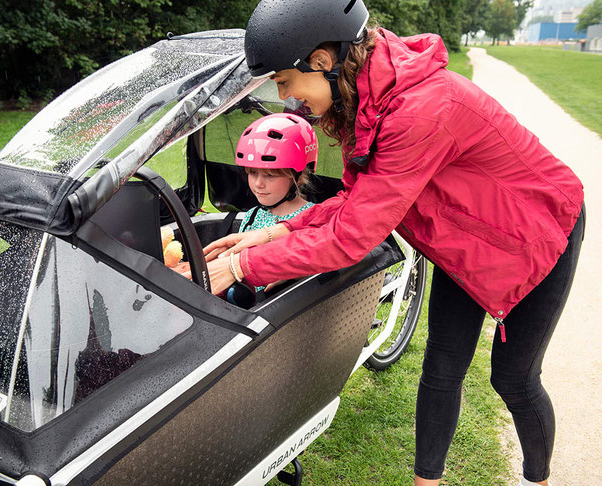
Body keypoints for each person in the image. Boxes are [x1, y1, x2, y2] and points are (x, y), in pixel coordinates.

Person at [202, 1, 585, 485]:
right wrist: (279, 229)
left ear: (321, 61)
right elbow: (360, 201)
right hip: (465, 239)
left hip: (540, 229)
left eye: (283, 83)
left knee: (513, 378)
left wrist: (240, 268)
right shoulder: (369, 102)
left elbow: (350, 239)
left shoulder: (421, 109)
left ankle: (539, 480)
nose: (287, 99)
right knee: (443, 366)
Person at [233, 112, 317, 292]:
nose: (258, 184)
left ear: (298, 176)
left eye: (270, 175)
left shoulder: (313, 218)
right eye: (252, 173)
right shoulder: (253, 215)